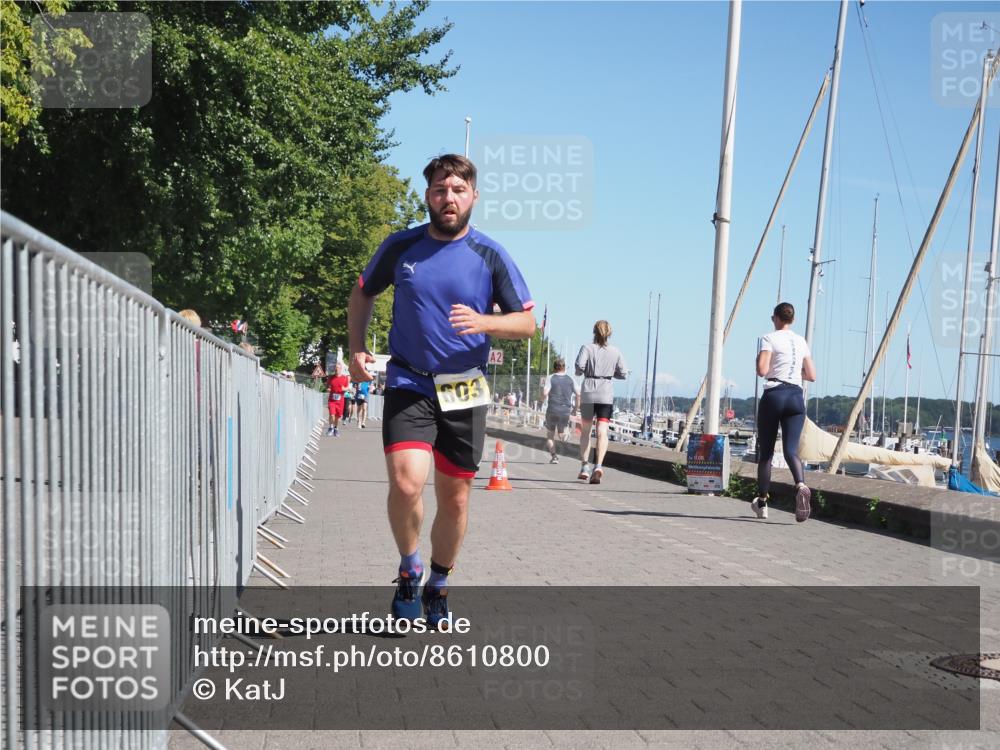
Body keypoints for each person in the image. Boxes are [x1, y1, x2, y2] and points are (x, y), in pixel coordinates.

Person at [347, 154, 535, 628]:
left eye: (457, 190)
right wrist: (356, 349)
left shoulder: (490, 255)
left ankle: (439, 580)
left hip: (464, 384)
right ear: (427, 195)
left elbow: (527, 322)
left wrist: (485, 321)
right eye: (439, 190)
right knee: (407, 481)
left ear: (473, 196)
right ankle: (409, 569)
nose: (448, 198)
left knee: (455, 498)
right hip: (410, 379)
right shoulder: (402, 246)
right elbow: (363, 292)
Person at [751, 302, 817, 522]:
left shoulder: (769, 338)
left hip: (774, 395)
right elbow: (811, 375)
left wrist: (768, 366)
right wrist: (792, 371)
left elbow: (762, 370)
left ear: (776, 318)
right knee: (791, 451)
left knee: (767, 454)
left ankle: (762, 503)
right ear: (793, 320)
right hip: (796, 397)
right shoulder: (801, 341)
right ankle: (800, 484)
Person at [575, 320, 627, 484]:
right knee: (602, 432)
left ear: (593, 332)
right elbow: (623, 373)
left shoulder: (586, 348)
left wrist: (585, 370)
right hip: (606, 394)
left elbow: (578, 368)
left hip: (589, 393)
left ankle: (584, 466)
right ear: (609, 333)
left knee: (585, 432)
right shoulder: (615, 351)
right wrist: (611, 373)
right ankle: (598, 465)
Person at [543, 359, 579, 464]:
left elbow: (545, 392)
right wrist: (575, 408)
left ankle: (554, 457)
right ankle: (565, 437)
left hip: (552, 409)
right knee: (561, 433)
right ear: (565, 367)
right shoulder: (571, 378)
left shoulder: (550, 377)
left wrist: (541, 398)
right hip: (565, 410)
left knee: (550, 435)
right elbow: (578, 394)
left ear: (554, 368)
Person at [327, 362, 350, 437]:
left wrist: (344, 389)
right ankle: (331, 427)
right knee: (332, 414)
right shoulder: (331, 377)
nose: (336, 370)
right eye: (335, 368)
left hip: (340, 400)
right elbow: (328, 386)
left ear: (341, 369)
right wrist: (328, 389)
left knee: (337, 416)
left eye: (338, 368)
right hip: (332, 400)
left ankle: (336, 429)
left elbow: (347, 388)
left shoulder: (345, 378)